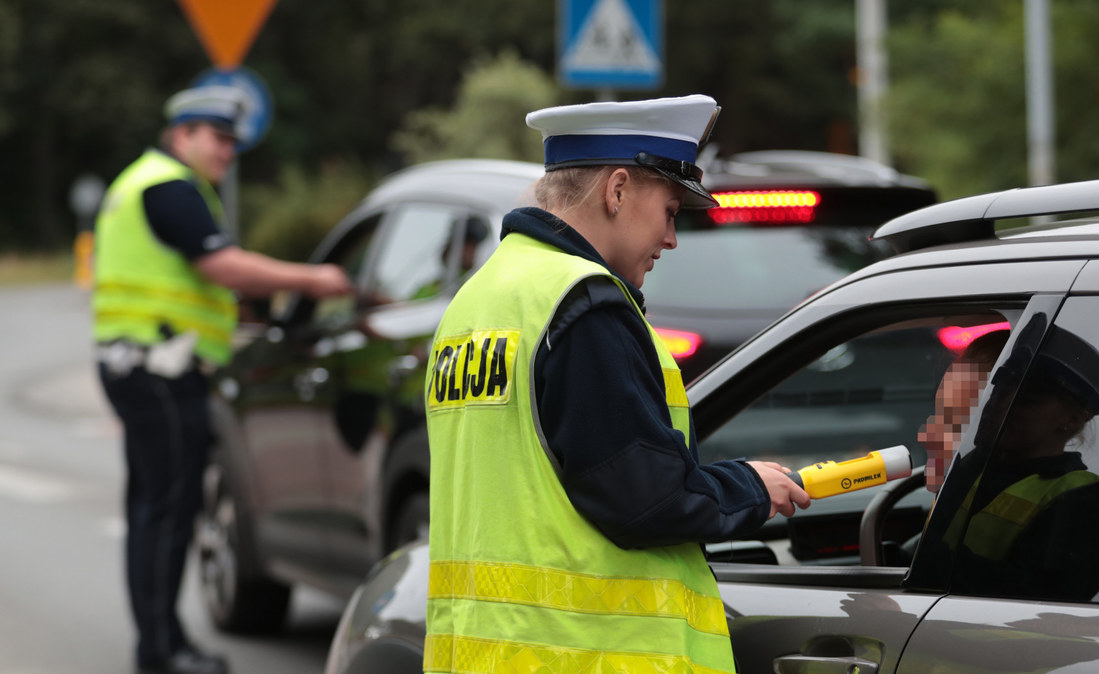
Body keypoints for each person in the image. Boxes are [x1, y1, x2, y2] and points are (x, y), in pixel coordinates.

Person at [422, 95, 810, 673]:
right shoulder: (583, 305)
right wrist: (750, 487)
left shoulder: (477, 299)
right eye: (671, 210)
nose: (672, 239)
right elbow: (645, 499)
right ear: (618, 190)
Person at [93, 85, 351, 674]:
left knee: (152, 509)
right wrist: (310, 280)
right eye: (218, 138)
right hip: (161, 369)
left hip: (139, 364)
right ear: (182, 135)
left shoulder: (142, 183)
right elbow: (222, 266)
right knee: (166, 511)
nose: (228, 152)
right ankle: (161, 650)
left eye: (234, 142)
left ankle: (159, 642)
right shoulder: (168, 187)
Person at [913, 326, 1099, 601]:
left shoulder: (1089, 499)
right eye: (997, 391)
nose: (999, 405)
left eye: (1023, 400)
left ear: (1074, 419)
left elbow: (1042, 594)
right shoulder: (972, 467)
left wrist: (930, 559)